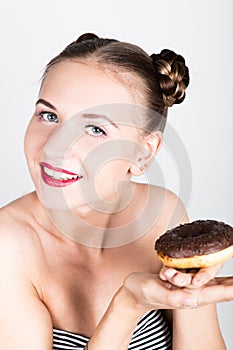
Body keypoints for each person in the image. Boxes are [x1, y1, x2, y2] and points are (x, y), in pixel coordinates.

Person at [0, 32, 232, 350]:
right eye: (49, 115)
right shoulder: (8, 244)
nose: (55, 147)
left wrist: (193, 293)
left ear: (143, 154)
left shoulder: (162, 212)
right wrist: (128, 305)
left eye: (95, 129)